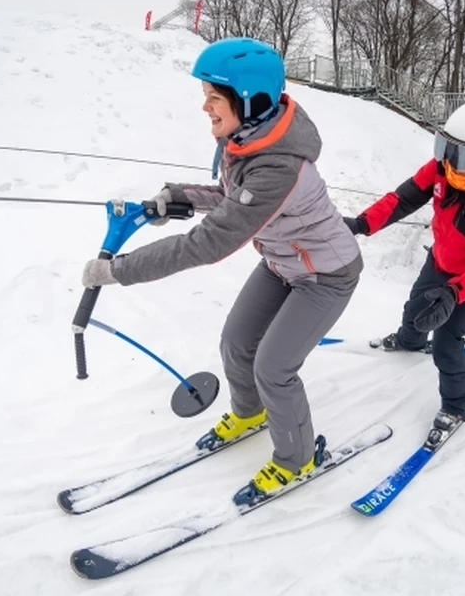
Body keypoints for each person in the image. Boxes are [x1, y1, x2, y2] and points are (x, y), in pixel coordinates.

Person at [81, 37, 363, 503]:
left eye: (214, 96)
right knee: (236, 341)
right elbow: (231, 196)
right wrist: (179, 197)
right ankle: (251, 413)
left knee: (275, 366)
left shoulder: (278, 165)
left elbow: (210, 241)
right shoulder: (251, 137)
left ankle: (299, 458)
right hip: (283, 261)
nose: (204, 106)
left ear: (248, 99)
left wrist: (120, 271)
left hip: (327, 274)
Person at [343, 99, 465, 437]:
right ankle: (410, 341)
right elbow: (402, 199)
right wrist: (360, 225)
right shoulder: (445, 167)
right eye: (445, 147)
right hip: (440, 259)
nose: (449, 161)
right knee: (415, 307)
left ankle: (457, 405)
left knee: (447, 342)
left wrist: (454, 292)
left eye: (463, 156)